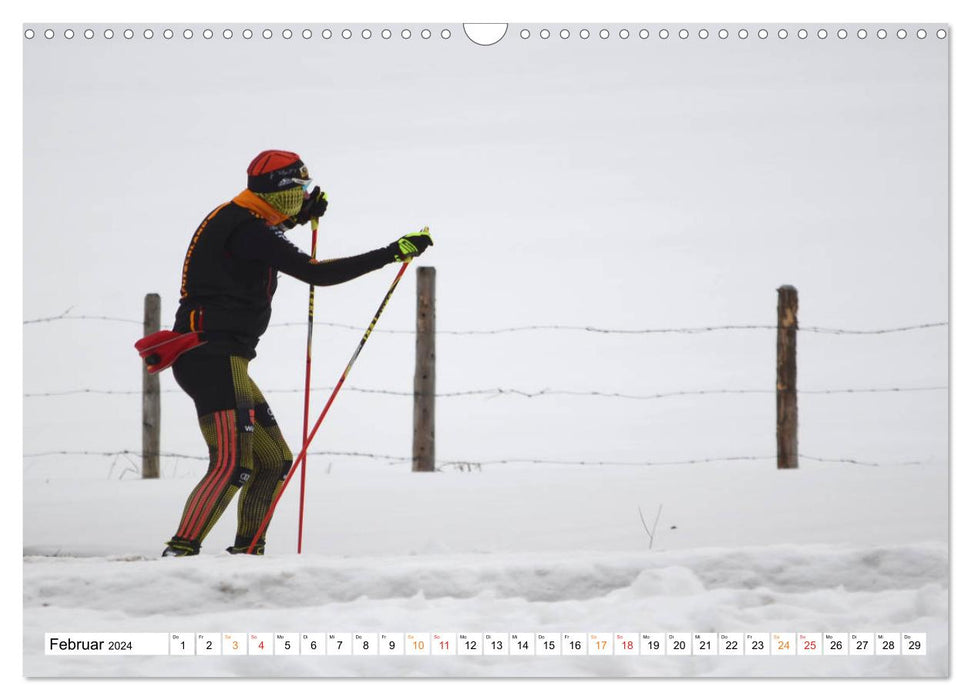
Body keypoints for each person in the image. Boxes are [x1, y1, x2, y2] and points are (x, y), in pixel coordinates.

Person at [158, 149, 432, 557]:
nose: (305, 194)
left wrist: (296, 218)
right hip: (210, 356)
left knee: (273, 462)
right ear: (280, 190)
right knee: (232, 464)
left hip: (223, 358)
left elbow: (263, 243)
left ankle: (247, 557)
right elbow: (316, 273)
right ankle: (180, 554)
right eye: (300, 188)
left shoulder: (243, 220)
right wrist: (393, 252)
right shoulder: (246, 228)